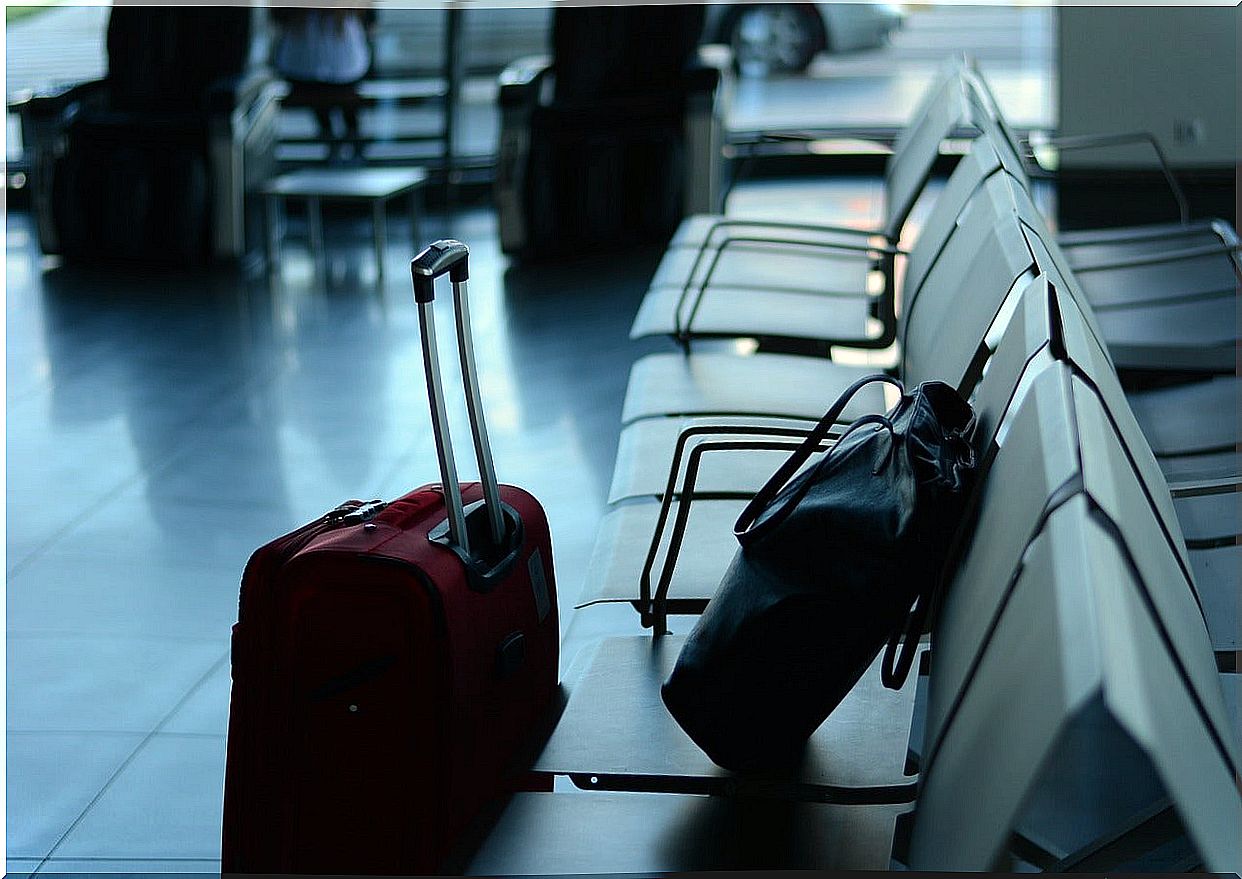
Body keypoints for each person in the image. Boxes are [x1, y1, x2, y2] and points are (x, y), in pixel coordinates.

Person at [270, 6, 376, 162]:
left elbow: (277, 18)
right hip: (333, 63)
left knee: (332, 104)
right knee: (340, 105)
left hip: (320, 64)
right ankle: (346, 146)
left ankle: (337, 145)